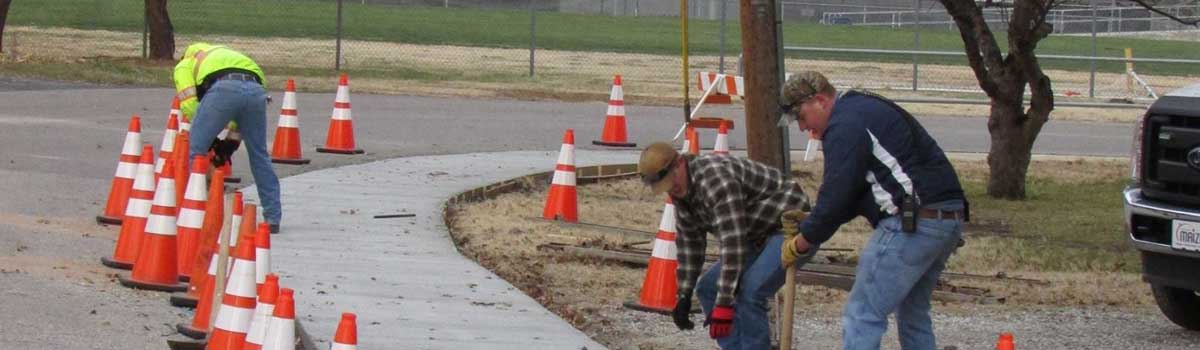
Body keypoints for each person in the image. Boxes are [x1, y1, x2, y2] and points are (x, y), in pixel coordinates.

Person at [777, 71, 967, 350]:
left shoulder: (844, 124)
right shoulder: (863, 107)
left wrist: (803, 241)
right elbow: (856, 193)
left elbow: (838, 194)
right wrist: (814, 221)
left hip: (913, 224)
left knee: (862, 314)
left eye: (801, 118)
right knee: (913, 314)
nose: (803, 127)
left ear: (819, 100)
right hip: (946, 219)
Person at [638, 142, 813, 350]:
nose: (672, 189)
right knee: (707, 288)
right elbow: (689, 245)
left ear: (680, 163)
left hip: (790, 227)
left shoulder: (715, 181)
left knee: (751, 291)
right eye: (665, 186)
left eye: (671, 181)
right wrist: (684, 294)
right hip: (754, 233)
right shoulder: (681, 195)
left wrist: (724, 303)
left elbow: (733, 244)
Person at [173, 42, 281, 233]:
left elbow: (190, 106)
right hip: (256, 90)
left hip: (223, 89)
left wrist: (210, 138)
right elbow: (243, 106)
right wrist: (231, 142)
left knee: (196, 152)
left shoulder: (185, 64)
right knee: (259, 155)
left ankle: (197, 209)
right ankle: (272, 217)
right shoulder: (227, 55)